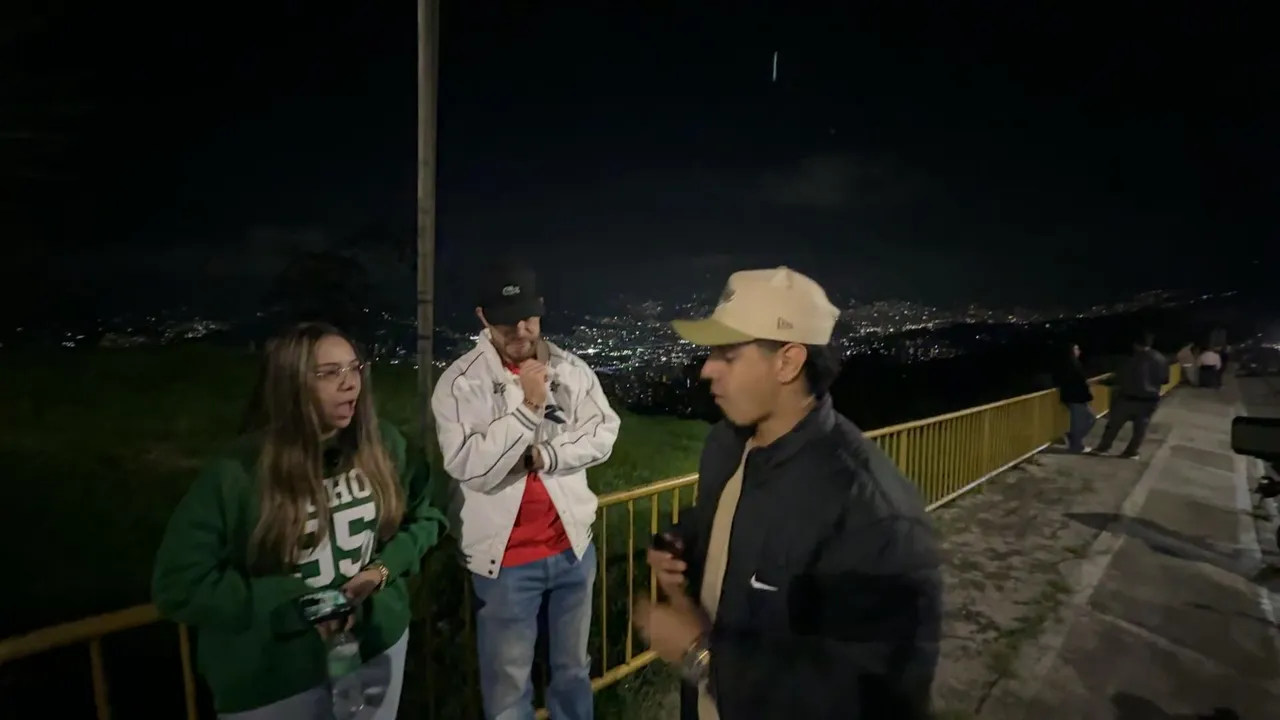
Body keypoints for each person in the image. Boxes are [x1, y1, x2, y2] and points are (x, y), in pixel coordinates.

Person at [637, 266, 942, 720]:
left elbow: (876, 698)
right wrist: (684, 543)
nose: (706, 369)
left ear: (788, 362)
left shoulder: (871, 512)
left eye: (727, 354)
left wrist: (701, 654)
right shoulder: (726, 444)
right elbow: (730, 520)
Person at [152, 322, 446, 719]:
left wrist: (381, 570)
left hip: (375, 650)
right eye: (329, 373)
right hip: (275, 680)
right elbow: (179, 584)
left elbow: (428, 516)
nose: (350, 383)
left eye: (354, 368)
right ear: (291, 385)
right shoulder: (238, 473)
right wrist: (295, 604)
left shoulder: (384, 446)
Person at [432, 262, 621, 720]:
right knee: (508, 688)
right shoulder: (462, 383)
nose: (520, 330)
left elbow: (603, 433)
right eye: (506, 320)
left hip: (573, 550)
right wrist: (529, 406)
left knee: (573, 672)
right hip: (505, 564)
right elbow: (471, 467)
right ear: (483, 317)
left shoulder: (572, 370)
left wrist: (544, 455)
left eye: (528, 318)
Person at [1090, 331, 1169, 459]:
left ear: (1135, 344)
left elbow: (1120, 378)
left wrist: (1099, 382)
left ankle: (1103, 448)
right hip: (1150, 400)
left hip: (1128, 398)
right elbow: (1165, 380)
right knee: (1140, 429)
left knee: (1114, 425)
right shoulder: (1161, 358)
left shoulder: (1133, 359)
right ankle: (1131, 451)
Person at [1055, 342, 1095, 453]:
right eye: (1076, 349)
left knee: (1088, 418)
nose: (1079, 351)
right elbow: (1077, 382)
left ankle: (1075, 440)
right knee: (1081, 421)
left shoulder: (1072, 364)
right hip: (1075, 397)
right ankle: (1076, 445)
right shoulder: (1071, 365)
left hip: (1076, 397)